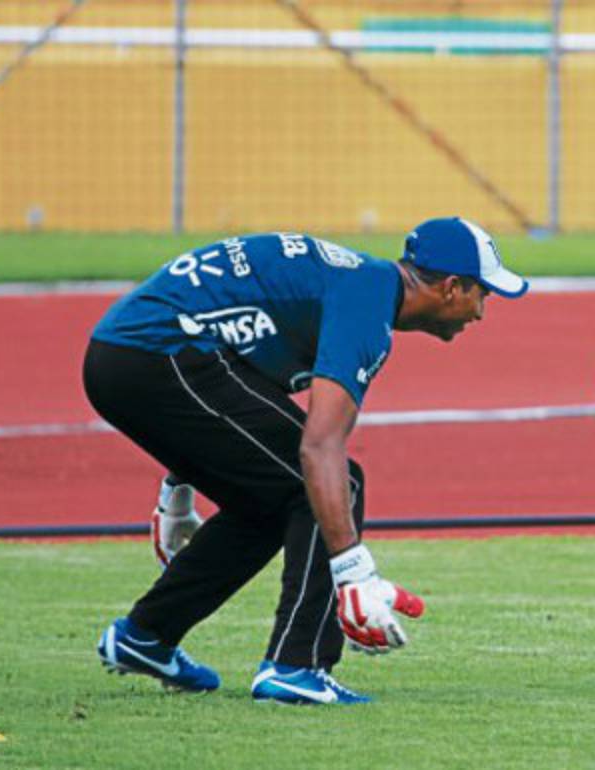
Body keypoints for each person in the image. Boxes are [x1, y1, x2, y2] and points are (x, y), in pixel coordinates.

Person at [84, 217, 528, 705]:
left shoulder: (354, 286)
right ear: (450, 287)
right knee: (328, 485)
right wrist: (354, 575)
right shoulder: (365, 304)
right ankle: (297, 667)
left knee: (269, 500)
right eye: (482, 294)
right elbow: (319, 447)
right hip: (157, 356)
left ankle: (145, 637)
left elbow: (240, 389)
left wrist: (178, 489)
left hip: (131, 356)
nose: (482, 312)